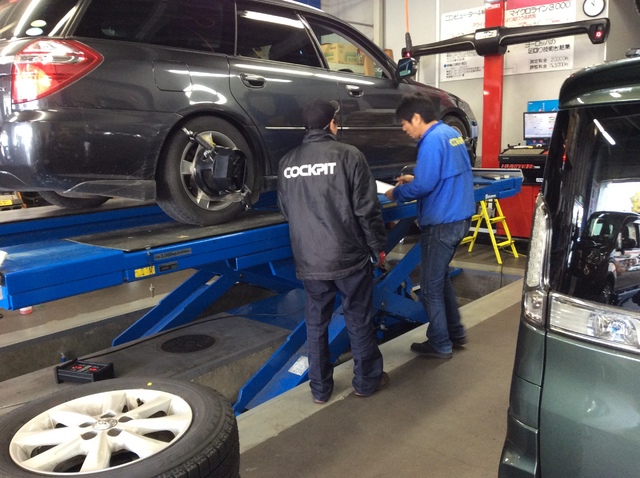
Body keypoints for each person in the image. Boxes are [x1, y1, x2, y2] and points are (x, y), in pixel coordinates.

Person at [277, 98, 389, 404]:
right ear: (331, 124)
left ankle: (320, 389)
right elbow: (367, 209)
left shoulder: (287, 162)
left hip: (309, 259)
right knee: (358, 318)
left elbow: (286, 210)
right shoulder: (349, 155)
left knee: (316, 324)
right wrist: (378, 247)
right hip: (348, 256)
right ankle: (366, 382)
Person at [384, 92, 475, 359]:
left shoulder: (431, 141)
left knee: (430, 286)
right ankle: (455, 333)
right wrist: (416, 177)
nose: (405, 130)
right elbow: (442, 174)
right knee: (440, 279)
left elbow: (423, 186)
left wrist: (396, 193)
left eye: (405, 124)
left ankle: (440, 343)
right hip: (459, 216)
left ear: (416, 118)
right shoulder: (450, 134)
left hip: (442, 222)